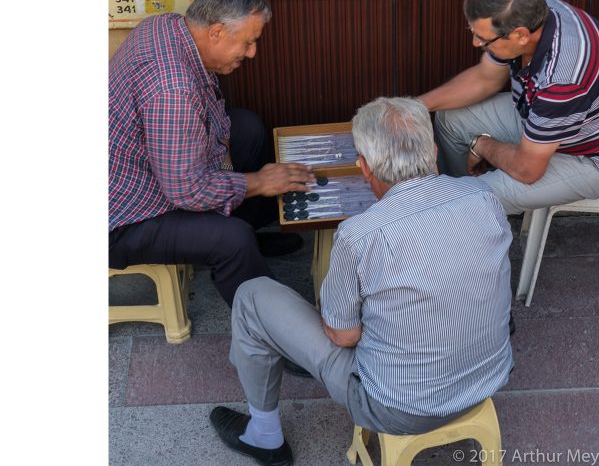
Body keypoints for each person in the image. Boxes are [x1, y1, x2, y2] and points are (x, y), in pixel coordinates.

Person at [209, 97, 513, 466]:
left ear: (363, 167)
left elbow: (343, 336)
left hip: (397, 408)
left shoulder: (360, 235)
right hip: (490, 379)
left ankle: (263, 435)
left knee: (251, 296)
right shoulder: (484, 196)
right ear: (433, 151)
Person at [109, 0, 316, 307]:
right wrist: (258, 181)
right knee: (230, 240)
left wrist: (239, 173)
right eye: (248, 43)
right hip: (125, 215)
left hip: (152, 165)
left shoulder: (166, 25)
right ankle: (271, 327)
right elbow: (185, 191)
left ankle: (248, 235)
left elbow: (212, 122)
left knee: (246, 128)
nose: (252, 53)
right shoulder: (173, 91)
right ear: (216, 32)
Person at [418, 0, 599, 214]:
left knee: (463, 200)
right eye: (473, 31)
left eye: (482, 38)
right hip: (550, 120)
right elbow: (486, 78)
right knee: (450, 119)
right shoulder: (540, 12)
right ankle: (463, 206)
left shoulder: (562, 81)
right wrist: (414, 106)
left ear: (521, 35)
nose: (475, 43)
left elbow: (528, 170)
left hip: (596, 158)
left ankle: (459, 210)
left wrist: (482, 146)